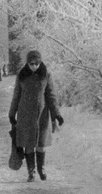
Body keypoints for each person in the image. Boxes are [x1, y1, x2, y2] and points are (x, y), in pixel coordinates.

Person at [9, 50, 64, 182]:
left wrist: (57, 114)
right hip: (25, 115)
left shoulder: (46, 75)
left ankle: (41, 168)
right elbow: (16, 96)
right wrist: (12, 114)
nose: (34, 66)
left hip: (42, 115)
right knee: (28, 144)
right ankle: (31, 171)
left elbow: (51, 96)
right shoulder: (22, 76)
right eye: (31, 63)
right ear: (27, 63)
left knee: (41, 143)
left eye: (37, 63)